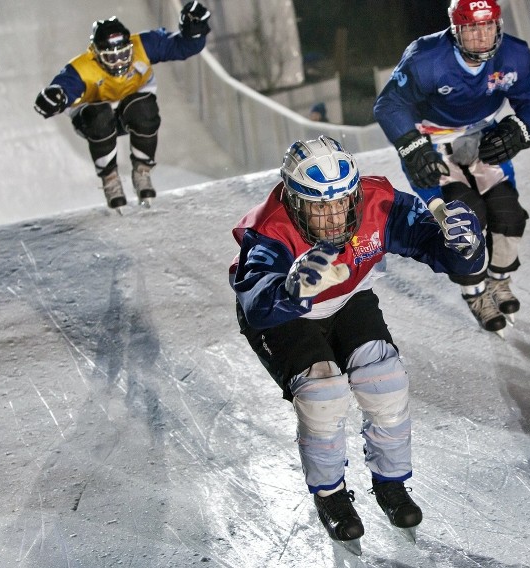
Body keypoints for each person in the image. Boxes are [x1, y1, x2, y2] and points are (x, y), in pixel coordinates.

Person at [229, 135, 485, 547]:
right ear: (294, 202)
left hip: (346, 296)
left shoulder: (377, 203)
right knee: (321, 393)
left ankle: (391, 485)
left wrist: (467, 247)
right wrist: (290, 293)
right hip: (284, 315)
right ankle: (330, 495)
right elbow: (256, 303)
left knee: (385, 380)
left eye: (341, 201)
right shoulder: (270, 228)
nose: (333, 217)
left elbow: (441, 253)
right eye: (318, 205)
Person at [374, 0, 530, 336]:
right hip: (433, 142)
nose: (481, 37)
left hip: (484, 137)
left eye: (487, 26)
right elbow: (389, 103)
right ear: (455, 30)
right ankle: (474, 291)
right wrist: (412, 147)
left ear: (498, 25)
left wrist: (521, 128)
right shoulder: (426, 57)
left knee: (509, 215)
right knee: (465, 220)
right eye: (471, 28)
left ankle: (499, 279)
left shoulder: (515, 54)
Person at [33, 2, 211, 209]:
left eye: (123, 55)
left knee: (143, 108)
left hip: (132, 109)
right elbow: (64, 86)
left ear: (130, 48)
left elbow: (180, 47)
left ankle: (142, 170)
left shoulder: (143, 45)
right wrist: (55, 97)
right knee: (100, 115)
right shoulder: (82, 68)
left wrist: (194, 33)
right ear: (97, 55)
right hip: (94, 120)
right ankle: (110, 178)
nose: (119, 63)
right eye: (111, 57)